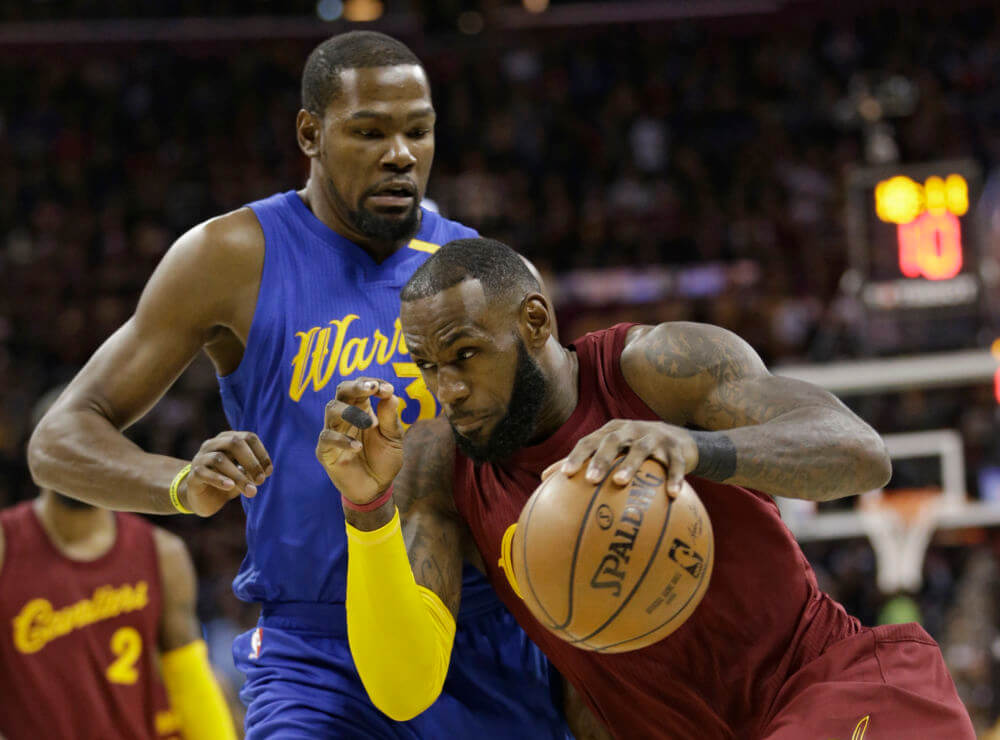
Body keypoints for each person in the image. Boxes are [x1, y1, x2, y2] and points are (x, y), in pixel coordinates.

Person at [28, 33, 571, 738]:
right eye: (370, 131)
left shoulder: (484, 275)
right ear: (310, 134)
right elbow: (60, 438)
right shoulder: (230, 256)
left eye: (418, 130)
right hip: (315, 653)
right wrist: (181, 483)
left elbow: (559, 440)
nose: (401, 153)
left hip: (478, 632)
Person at [318, 237, 976, 739]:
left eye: (465, 355)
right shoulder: (441, 464)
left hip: (828, 688)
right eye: (427, 365)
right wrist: (367, 508)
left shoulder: (654, 370)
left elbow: (861, 455)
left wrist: (697, 447)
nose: (448, 388)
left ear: (536, 322)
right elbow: (401, 688)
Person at [2, 391, 236, 740]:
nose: (76, 457)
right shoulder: (7, 545)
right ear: (36, 454)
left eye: (89, 444)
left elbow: (191, 683)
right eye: (63, 446)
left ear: (114, 453)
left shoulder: (161, 553)